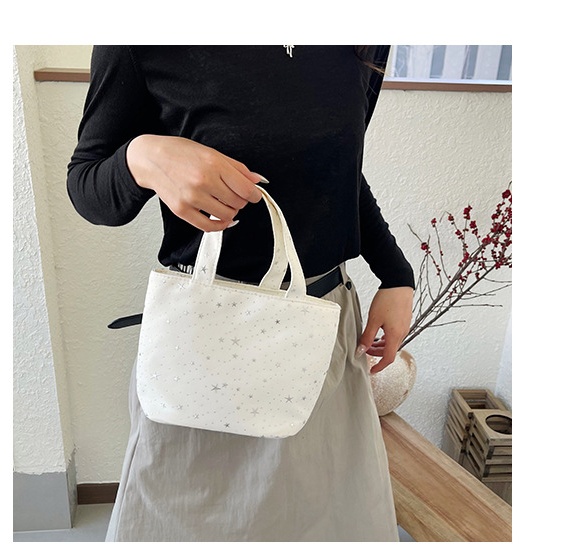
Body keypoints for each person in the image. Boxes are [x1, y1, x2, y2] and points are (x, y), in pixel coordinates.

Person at [67, 45, 415, 542]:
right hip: (204, 344)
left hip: (321, 332)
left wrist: (395, 273)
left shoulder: (360, 37)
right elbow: (87, 183)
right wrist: (144, 157)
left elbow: (335, 167)